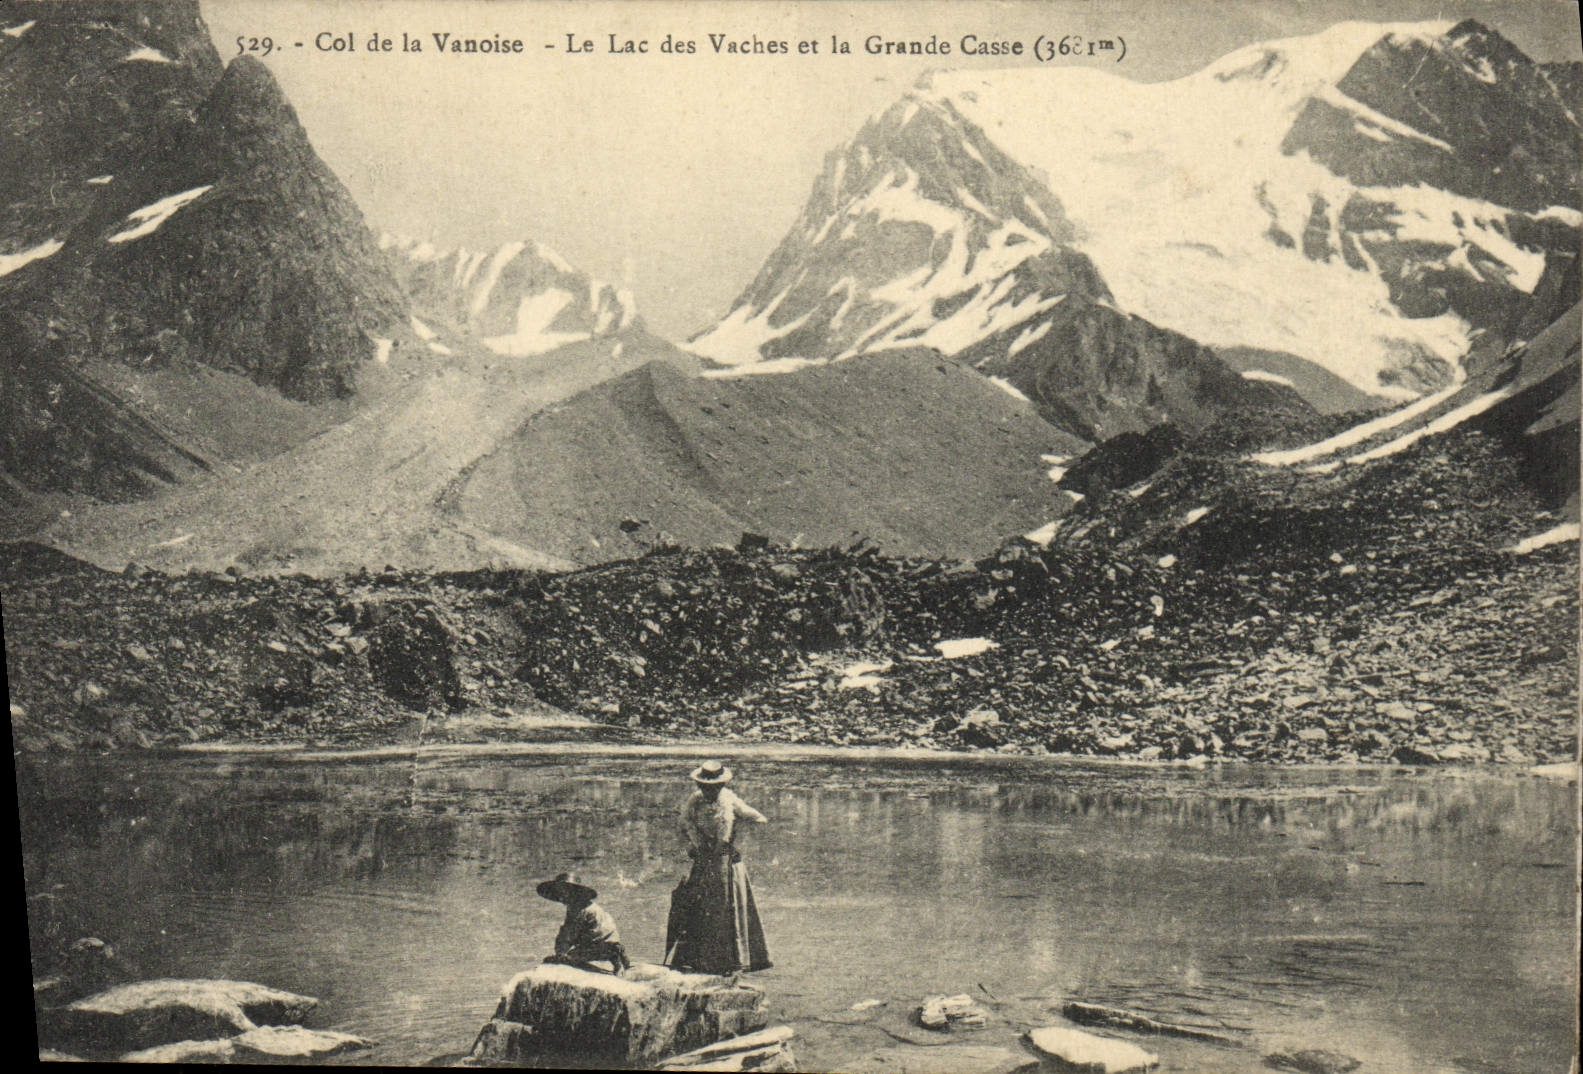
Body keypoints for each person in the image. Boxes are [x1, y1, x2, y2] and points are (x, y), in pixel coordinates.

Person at [664, 761, 772, 975]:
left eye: (714, 786)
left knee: (724, 906)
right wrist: (693, 845)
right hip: (704, 860)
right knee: (699, 907)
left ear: (721, 785)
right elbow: (684, 825)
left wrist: (737, 841)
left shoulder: (730, 801)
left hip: (725, 862)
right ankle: (698, 959)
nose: (709, 790)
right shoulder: (694, 802)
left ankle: (728, 961)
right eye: (704, 786)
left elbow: (758, 818)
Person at [536, 872, 631, 974]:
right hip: (611, 944)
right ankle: (616, 958)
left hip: (602, 947)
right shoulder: (587, 905)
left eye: (563, 892)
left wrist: (560, 954)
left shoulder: (578, 910)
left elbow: (568, 935)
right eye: (559, 893)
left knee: (563, 959)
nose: (561, 896)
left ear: (574, 892)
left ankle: (614, 957)